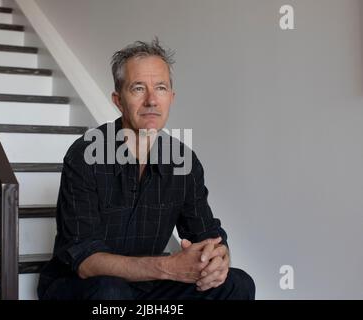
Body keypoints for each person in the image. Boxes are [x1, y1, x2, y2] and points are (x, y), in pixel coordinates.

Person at [37, 38, 255, 300]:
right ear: (118, 100)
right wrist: (168, 267)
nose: (152, 100)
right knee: (110, 291)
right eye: (138, 88)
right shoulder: (86, 155)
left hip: (145, 287)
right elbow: (86, 262)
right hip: (78, 286)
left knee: (238, 284)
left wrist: (218, 258)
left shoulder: (183, 162)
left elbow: (206, 234)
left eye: (161, 88)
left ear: (171, 98)